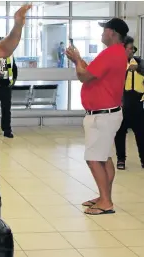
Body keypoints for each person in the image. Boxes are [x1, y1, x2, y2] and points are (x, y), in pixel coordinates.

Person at [66, 18, 129, 215]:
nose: (102, 33)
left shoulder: (111, 53)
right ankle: (104, 196)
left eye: (104, 30)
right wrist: (79, 60)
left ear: (112, 32)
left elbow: (84, 76)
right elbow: (92, 72)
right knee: (103, 157)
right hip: (107, 113)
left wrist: (76, 61)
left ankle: (106, 202)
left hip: (102, 116)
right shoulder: (117, 53)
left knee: (93, 159)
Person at [114, 37, 144, 170]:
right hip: (122, 104)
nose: (132, 51)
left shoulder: (139, 62)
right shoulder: (117, 63)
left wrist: (137, 67)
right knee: (120, 133)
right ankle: (121, 159)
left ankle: (143, 159)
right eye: (130, 48)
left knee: (141, 134)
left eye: (133, 49)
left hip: (137, 104)